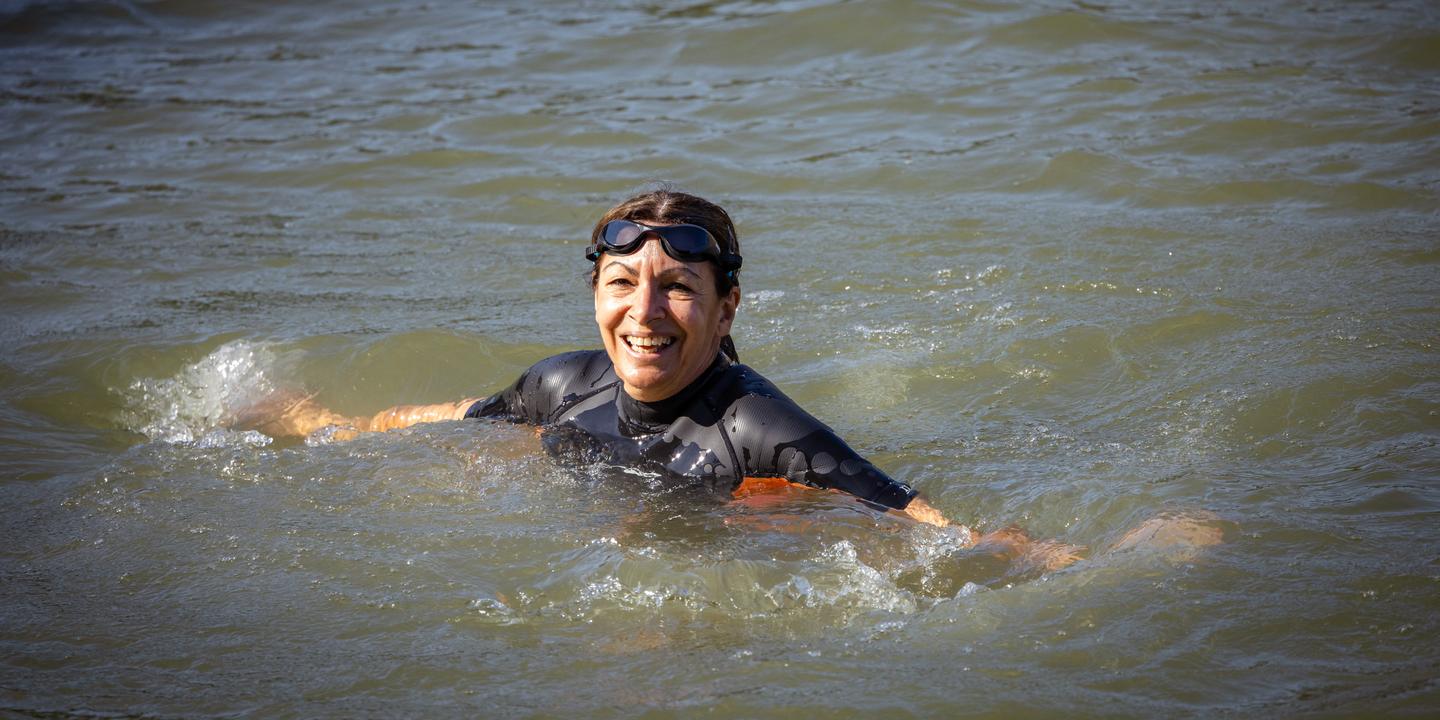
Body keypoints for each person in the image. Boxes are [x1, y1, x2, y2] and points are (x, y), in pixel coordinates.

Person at [250, 189, 1219, 566]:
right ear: (597, 292)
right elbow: (449, 416)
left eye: (678, 289)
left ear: (727, 309)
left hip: (737, 529)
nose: (644, 312)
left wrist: (1101, 560)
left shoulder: (759, 429)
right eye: (624, 283)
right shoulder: (564, 383)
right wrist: (313, 423)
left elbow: (927, 525)